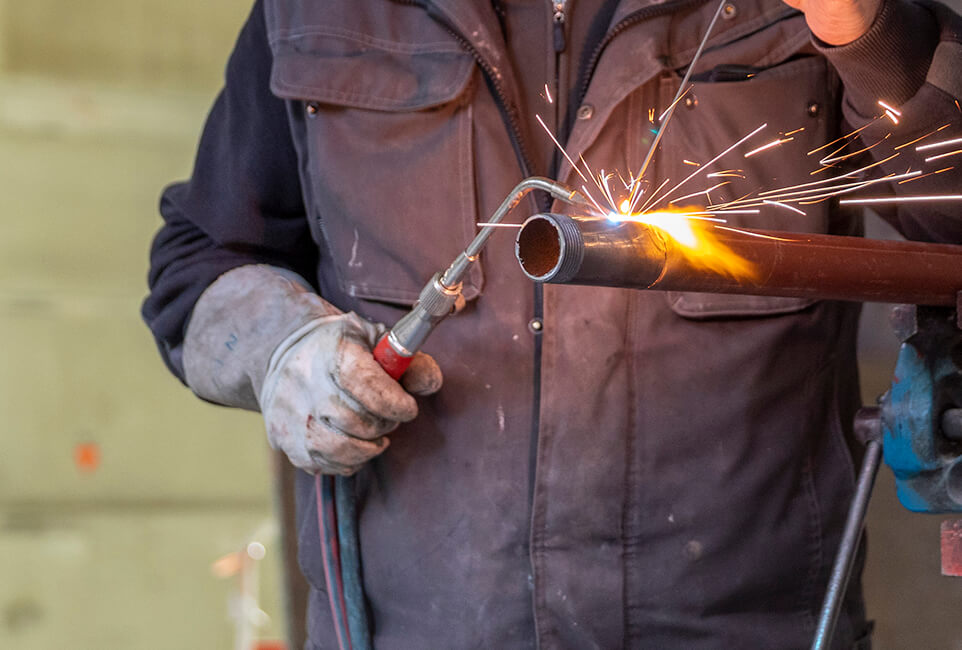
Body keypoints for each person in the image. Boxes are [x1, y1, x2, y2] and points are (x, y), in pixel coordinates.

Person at [143, 0, 962, 646]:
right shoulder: (320, 8)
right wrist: (280, 348)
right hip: (413, 633)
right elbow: (199, 260)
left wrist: (866, 33)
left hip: (747, 628)